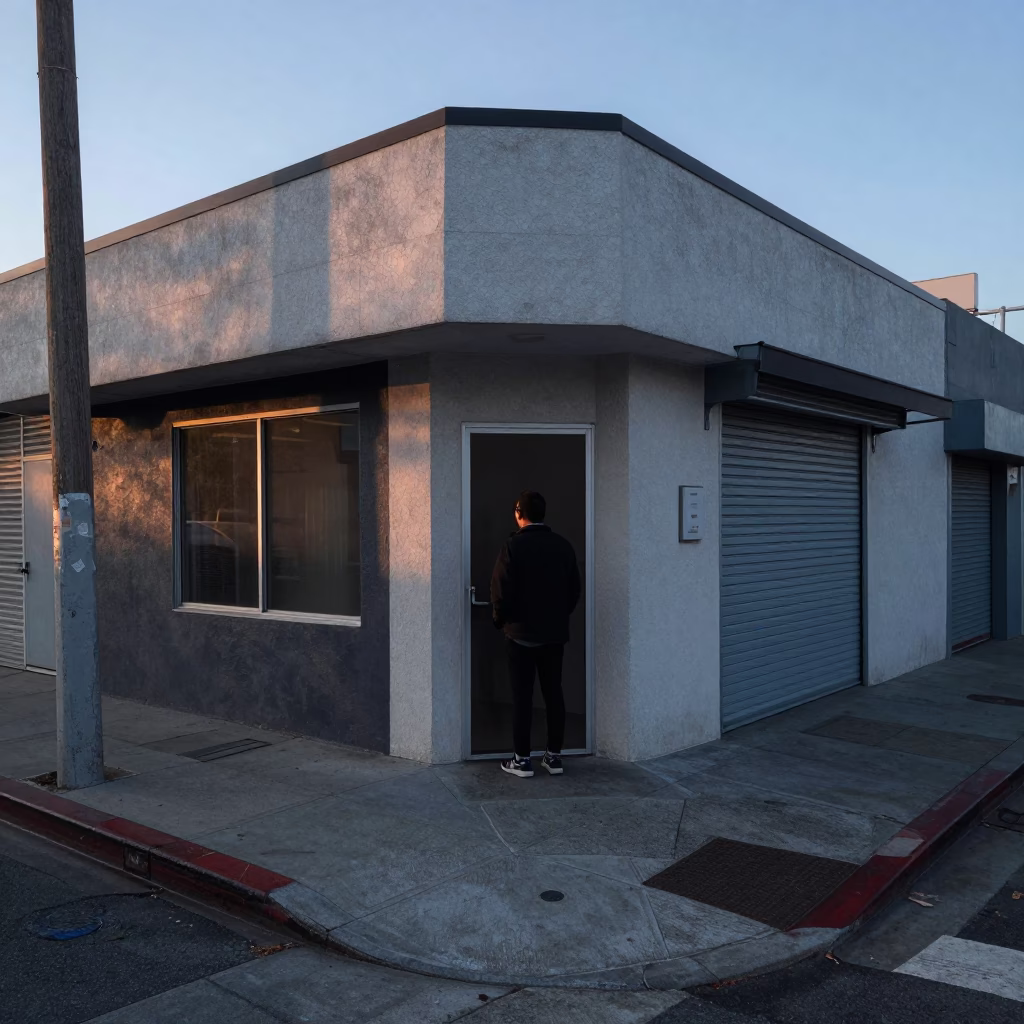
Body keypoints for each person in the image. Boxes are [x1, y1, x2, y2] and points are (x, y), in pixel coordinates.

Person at [489, 490, 581, 778]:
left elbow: (500, 590)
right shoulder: (563, 546)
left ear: (519, 513)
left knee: (523, 697)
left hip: (520, 636)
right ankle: (554, 757)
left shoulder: (513, 546)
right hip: (554, 635)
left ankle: (522, 760)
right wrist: (556, 617)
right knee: (554, 693)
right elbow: (574, 591)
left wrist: (500, 620)